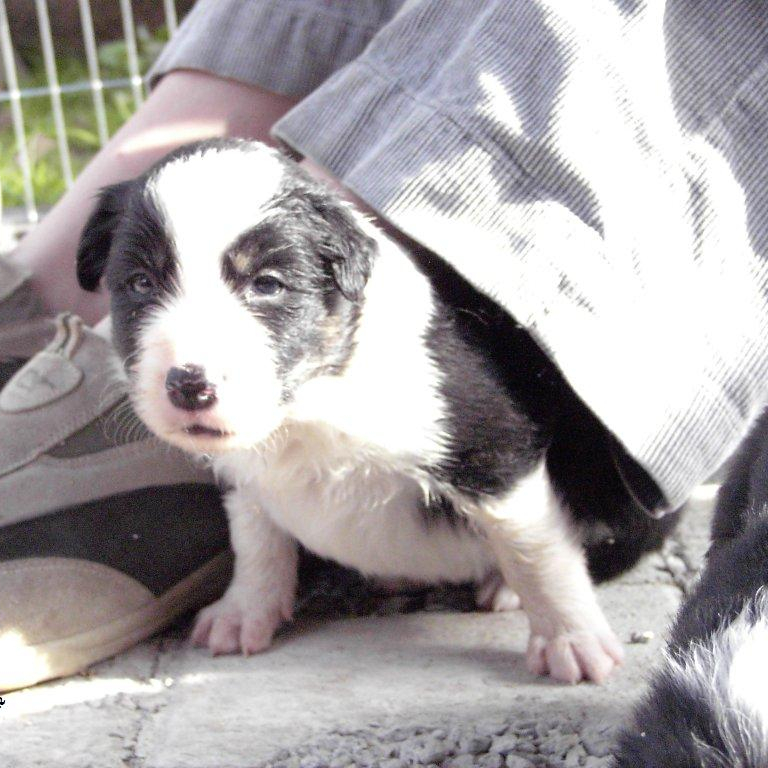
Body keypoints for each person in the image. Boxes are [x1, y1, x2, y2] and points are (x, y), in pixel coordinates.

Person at [2, 0, 767, 690]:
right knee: (246, 458)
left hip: (565, 511)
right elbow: (245, 479)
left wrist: (558, 612)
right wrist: (256, 593)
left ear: (347, 272)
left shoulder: (406, 366)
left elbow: (502, 471)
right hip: (358, 512)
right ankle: (32, 313)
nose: (189, 358)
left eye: (266, 284)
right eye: (142, 283)